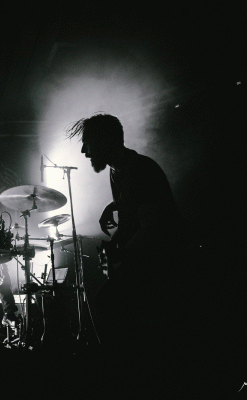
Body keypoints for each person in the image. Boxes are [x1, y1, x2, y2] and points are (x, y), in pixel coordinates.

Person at [66, 113, 194, 352]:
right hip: (148, 259)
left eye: (88, 144)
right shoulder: (117, 171)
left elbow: (152, 226)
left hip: (167, 260)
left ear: (105, 141)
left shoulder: (141, 169)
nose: (84, 152)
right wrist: (114, 207)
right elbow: (133, 211)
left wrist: (119, 254)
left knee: (110, 303)